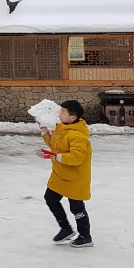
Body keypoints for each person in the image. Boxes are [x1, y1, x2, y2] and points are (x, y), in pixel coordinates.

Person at [37, 100, 93, 248]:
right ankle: (66, 229)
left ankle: (85, 236)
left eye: (63, 112)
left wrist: (55, 156)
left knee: (77, 208)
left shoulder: (78, 136)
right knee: (50, 198)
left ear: (72, 117)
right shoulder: (61, 128)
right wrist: (44, 130)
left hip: (75, 178)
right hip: (60, 174)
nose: (59, 113)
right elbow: (54, 145)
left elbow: (76, 158)